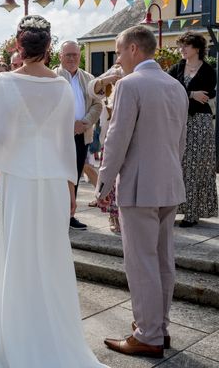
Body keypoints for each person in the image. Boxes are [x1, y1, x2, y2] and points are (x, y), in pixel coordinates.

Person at [0, 15, 107, 368]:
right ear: (50, 47)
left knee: (18, 257)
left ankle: (18, 342)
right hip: (53, 181)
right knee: (51, 257)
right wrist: (71, 186)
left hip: (21, 182)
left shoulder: (5, 81)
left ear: (18, 47)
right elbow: (67, 142)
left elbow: (0, 140)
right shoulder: (61, 86)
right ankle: (55, 340)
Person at [96, 25, 187, 359]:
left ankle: (147, 334)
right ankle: (159, 329)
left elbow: (116, 139)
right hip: (169, 184)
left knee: (141, 263)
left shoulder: (129, 85)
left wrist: (103, 183)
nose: (118, 60)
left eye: (119, 53)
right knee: (163, 260)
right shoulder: (176, 86)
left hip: (138, 186)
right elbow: (180, 142)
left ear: (134, 49)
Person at [168, 32, 218, 227]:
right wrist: (190, 93)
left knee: (196, 167)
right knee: (178, 165)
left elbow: (208, 94)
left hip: (200, 122)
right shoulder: (177, 68)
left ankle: (192, 213)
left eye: (185, 46)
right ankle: (175, 208)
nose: (181, 49)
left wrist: (188, 95)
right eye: (181, 45)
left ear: (196, 48)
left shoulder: (208, 70)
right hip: (179, 121)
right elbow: (168, 89)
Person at [54, 41, 102, 230]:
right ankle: (56, 214)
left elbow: (98, 105)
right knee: (58, 175)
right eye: (68, 55)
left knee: (74, 174)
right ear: (60, 57)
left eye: (75, 54)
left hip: (82, 135)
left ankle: (70, 215)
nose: (72, 58)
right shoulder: (52, 77)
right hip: (58, 136)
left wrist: (85, 122)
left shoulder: (89, 78)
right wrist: (68, 124)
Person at [88, 66, 124, 233]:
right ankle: (113, 216)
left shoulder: (137, 74)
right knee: (110, 178)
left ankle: (123, 217)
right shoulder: (114, 72)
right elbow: (92, 88)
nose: (118, 58)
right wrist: (108, 79)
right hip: (110, 135)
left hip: (132, 138)